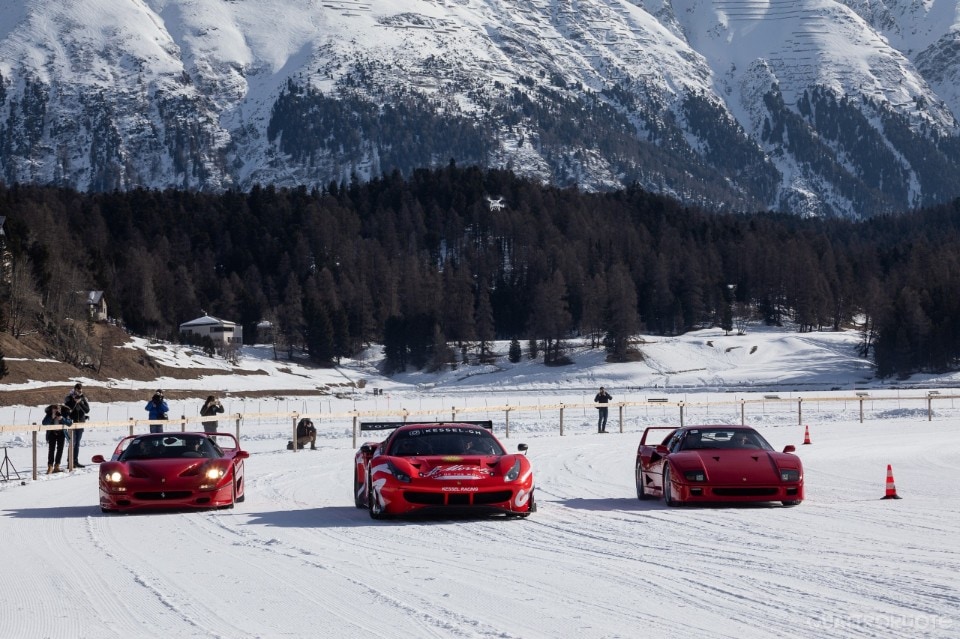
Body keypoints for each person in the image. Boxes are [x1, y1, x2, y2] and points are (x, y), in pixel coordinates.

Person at [63, 382, 90, 468]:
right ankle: (69, 462)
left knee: (77, 443)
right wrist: (74, 402)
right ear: (74, 390)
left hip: (81, 422)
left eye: (80, 391)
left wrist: (80, 402)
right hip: (72, 422)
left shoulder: (83, 398)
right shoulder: (69, 398)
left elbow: (87, 410)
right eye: (78, 391)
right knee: (72, 442)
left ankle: (75, 461)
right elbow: (67, 410)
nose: (79, 392)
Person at [42, 404, 72, 474]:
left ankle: (57, 466)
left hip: (61, 433)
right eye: (55, 409)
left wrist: (62, 419)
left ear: (60, 409)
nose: (56, 411)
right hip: (52, 433)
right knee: (51, 450)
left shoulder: (64, 413)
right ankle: (50, 466)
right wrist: (51, 417)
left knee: (60, 450)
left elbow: (70, 423)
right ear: (52, 410)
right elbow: (44, 423)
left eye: (58, 409)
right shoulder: (49, 414)